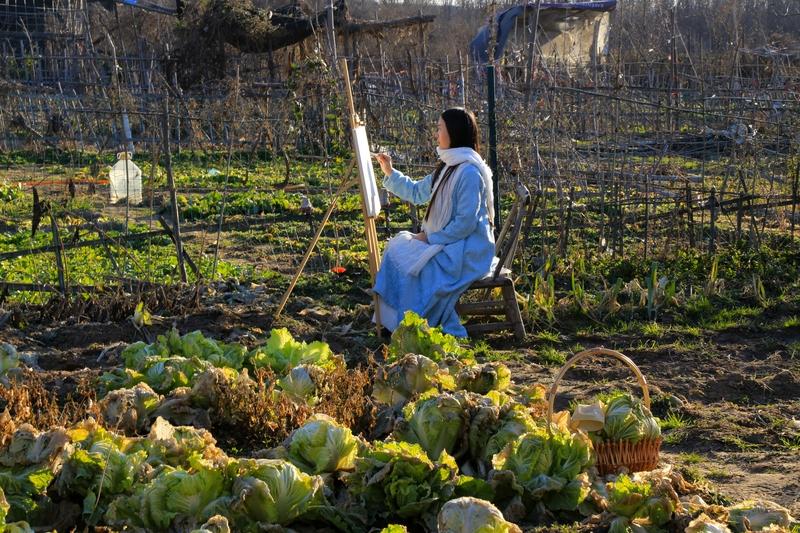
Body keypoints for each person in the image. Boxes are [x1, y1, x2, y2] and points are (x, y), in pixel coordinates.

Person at [372, 107, 496, 337]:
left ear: (453, 132)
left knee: (417, 269)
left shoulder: (468, 172)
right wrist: (389, 172)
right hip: (448, 241)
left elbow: (466, 224)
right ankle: (396, 321)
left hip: (467, 250)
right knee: (397, 248)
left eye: (440, 128)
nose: (436, 134)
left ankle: (411, 324)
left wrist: (430, 239)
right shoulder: (449, 166)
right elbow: (418, 192)